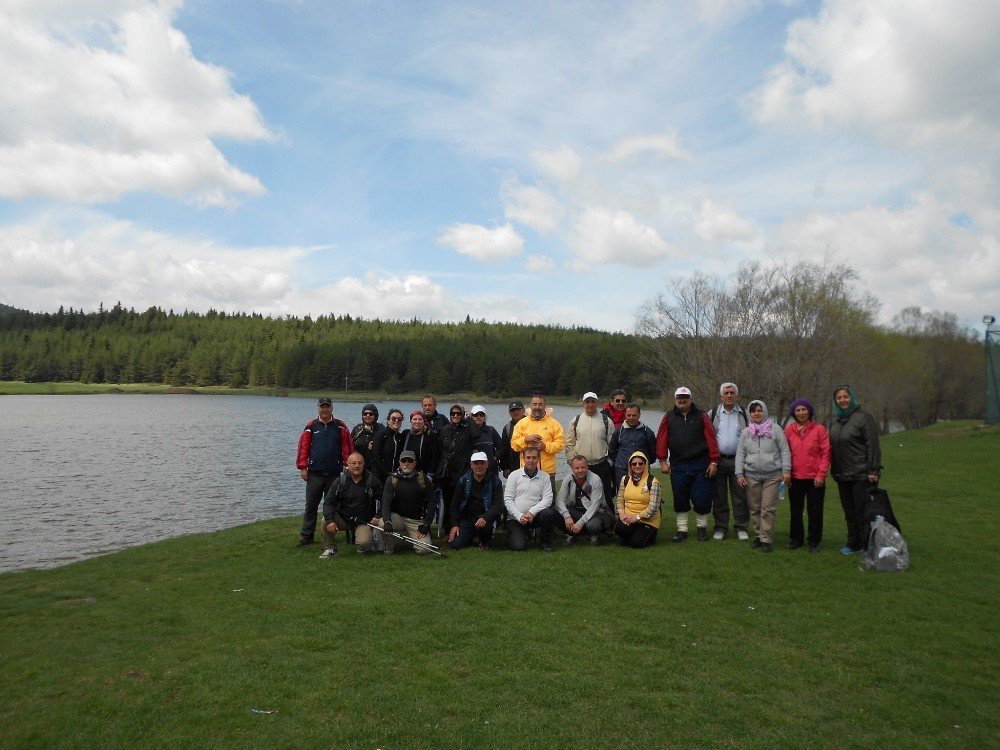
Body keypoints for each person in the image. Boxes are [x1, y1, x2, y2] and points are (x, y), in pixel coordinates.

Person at [656, 387, 720, 543]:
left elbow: (711, 439)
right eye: (679, 397)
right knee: (680, 498)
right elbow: (661, 439)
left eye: (685, 397)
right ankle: (682, 530)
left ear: (690, 398)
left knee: (703, 498)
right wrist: (663, 461)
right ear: (675, 398)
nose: (682, 399)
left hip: (700, 464)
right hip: (678, 465)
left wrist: (713, 461)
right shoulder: (668, 417)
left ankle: (701, 529)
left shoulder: (702, 415)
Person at [829, 385, 882, 555]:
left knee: (864, 511)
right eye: (839, 398)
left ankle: (868, 544)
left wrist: (873, 470)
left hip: (861, 473)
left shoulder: (863, 417)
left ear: (851, 398)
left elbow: (872, 445)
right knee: (849, 512)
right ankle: (853, 542)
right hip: (842, 474)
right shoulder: (835, 420)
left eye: (845, 397)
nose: (843, 400)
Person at [295, 397, 354, 547]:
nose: (325, 409)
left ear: (332, 408)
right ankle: (307, 535)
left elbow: (347, 447)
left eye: (327, 407)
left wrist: (348, 465)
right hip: (315, 473)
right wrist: (303, 467)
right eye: (322, 407)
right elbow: (303, 448)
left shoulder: (340, 426)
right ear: (318, 408)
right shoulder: (311, 427)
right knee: (311, 505)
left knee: (333, 505)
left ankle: (330, 533)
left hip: (334, 474)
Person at [736, 400, 791, 553]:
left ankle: (766, 539)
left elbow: (785, 451)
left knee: (767, 508)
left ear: (765, 411)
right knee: (755, 508)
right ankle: (759, 536)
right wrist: (739, 473)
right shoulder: (746, 432)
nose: (757, 413)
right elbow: (740, 454)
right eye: (753, 411)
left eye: (760, 410)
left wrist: (786, 470)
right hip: (751, 475)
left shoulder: (776, 429)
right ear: (750, 414)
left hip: (772, 476)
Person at [784, 398, 831, 552]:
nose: (801, 412)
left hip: (814, 478)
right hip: (795, 477)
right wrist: (786, 473)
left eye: (804, 409)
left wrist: (821, 474)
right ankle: (796, 539)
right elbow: (784, 452)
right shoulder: (789, 430)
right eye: (798, 410)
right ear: (794, 413)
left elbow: (826, 453)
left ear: (809, 411)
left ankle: (814, 541)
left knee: (815, 511)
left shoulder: (819, 429)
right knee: (795, 510)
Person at [320, 452, 383, 558]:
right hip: (344, 518)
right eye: (353, 463)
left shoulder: (372, 481)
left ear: (364, 464)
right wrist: (331, 521)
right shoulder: (340, 481)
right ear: (347, 465)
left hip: (364, 521)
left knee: (363, 544)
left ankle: (363, 544)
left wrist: (377, 516)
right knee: (325, 521)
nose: (357, 466)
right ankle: (331, 549)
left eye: (360, 463)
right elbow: (329, 502)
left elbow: (384, 500)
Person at [375, 450, 437, 555]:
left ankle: (415, 540)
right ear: (399, 463)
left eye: (410, 461)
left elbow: (432, 501)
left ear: (415, 463)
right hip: (398, 517)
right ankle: (389, 547)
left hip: (416, 520)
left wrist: (427, 523)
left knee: (424, 550)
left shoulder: (423, 479)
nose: (406, 463)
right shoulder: (392, 479)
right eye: (403, 461)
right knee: (382, 523)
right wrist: (387, 521)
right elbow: (385, 502)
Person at [709, 382, 750, 541]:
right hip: (718, 461)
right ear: (721, 396)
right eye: (726, 393)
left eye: (732, 392)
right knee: (719, 497)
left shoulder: (744, 414)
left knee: (740, 497)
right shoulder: (712, 413)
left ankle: (741, 527)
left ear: (736, 395)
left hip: (738, 462)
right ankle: (720, 527)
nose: (729, 395)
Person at [565, 391, 615, 513]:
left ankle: (609, 522)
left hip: (601, 465)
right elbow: (570, 443)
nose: (590, 404)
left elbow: (612, 445)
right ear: (583, 403)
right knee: (580, 495)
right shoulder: (576, 420)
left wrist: (609, 462)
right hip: (581, 467)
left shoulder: (606, 421)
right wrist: (572, 461)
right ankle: (581, 520)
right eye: (587, 402)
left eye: (593, 402)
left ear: (597, 403)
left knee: (605, 495)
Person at [503, 446, 557, 551]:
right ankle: (519, 536)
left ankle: (545, 542)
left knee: (549, 513)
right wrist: (519, 516)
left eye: (534, 457)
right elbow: (508, 500)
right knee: (519, 547)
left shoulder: (545, 477)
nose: (531, 460)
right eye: (528, 457)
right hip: (516, 519)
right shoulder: (514, 475)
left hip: (535, 517)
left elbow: (548, 499)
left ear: (538, 459)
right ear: (523, 459)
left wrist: (532, 512)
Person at [447, 452, 504, 550]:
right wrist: (455, 525)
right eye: (476, 463)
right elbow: (454, 505)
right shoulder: (463, 480)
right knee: (456, 545)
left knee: (487, 529)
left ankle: (483, 540)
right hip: (467, 519)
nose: (479, 466)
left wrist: (485, 518)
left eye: (482, 463)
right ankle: (473, 537)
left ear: (487, 464)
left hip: (485, 519)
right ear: (471, 465)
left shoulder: (495, 481)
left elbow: (498, 505)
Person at [510, 394, 566, 491]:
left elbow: (561, 444)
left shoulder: (554, 424)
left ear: (544, 406)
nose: (537, 407)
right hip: (527, 471)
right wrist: (526, 439)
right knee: (528, 500)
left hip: (548, 472)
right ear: (530, 406)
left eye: (540, 404)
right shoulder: (521, 423)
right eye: (534, 404)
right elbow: (514, 445)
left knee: (550, 502)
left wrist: (545, 446)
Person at [437, 404, 478, 530]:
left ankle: (460, 527)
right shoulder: (445, 429)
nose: (455, 416)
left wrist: (469, 419)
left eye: (458, 414)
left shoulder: (467, 429)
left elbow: (476, 434)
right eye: (453, 414)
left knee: (460, 501)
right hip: (446, 472)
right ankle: (447, 529)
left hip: (462, 471)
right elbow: (440, 450)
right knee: (448, 501)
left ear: (462, 415)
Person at [554, 454, 612, 545]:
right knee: (555, 511)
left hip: (596, 512)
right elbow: (559, 499)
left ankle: (594, 534)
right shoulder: (568, 478)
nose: (580, 470)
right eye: (577, 468)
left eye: (583, 467)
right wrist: (567, 516)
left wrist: (580, 523)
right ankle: (573, 533)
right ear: (572, 469)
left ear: (588, 467)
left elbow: (595, 505)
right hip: (577, 510)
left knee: (592, 526)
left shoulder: (595, 479)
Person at [613, 451, 661, 548]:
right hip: (628, 518)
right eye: (634, 464)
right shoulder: (625, 479)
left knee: (636, 543)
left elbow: (653, 507)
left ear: (646, 464)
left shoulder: (653, 482)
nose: (637, 466)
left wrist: (637, 517)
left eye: (641, 463)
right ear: (630, 465)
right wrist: (622, 514)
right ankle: (633, 533)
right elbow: (619, 500)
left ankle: (648, 535)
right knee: (618, 529)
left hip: (647, 520)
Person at [608, 403, 657, 488]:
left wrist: (643, 464)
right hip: (622, 471)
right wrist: (620, 462)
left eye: (634, 415)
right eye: (629, 415)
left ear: (639, 415)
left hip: (642, 471)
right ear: (625, 415)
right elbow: (611, 451)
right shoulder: (618, 431)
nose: (631, 418)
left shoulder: (647, 432)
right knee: (622, 497)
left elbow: (652, 453)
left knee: (642, 496)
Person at [399, 410, 440, 477]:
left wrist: (431, 474)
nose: (417, 422)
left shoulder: (429, 435)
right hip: (406, 472)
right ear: (411, 421)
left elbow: (435, 457)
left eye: (420, 419)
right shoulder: (406, 434)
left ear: (424, 421)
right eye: (415, 419)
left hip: (423, 474)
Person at [372, 408, 405, 481]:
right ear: (388, 421)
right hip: (380, 476)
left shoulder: (400, 437)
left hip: (396, 475)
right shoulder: (381, 435)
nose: (396, 421)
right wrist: (387, 473)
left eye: (399, 419)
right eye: (393, 419)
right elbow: (376, 456)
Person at [351, 403, 384, 474]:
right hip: (359, 465)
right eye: (365, 414)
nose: (368, 416)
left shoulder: (381, 428)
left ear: (375, 415)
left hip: (375, 467)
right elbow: (350, 445)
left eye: (371, 414)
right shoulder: (357, 429)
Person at [468, 405, 502, 474]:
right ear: (471, 417)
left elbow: (501, 446)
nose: (478, 417)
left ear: (485, 417)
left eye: (481, 415)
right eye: (475, 415)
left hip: (491, 470)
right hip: (473, 471)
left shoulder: (491, 430)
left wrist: (495, 457)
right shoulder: (467, 432)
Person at [498, 400, 526, 478]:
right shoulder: (507, 428)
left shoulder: (531, 424)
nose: (515, 411)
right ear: (509, 412)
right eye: (512, 410)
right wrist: (505, 468)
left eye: (518, 409)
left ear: (523, 410)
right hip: (514, 467)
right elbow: (504, 448)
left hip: (531, 465)